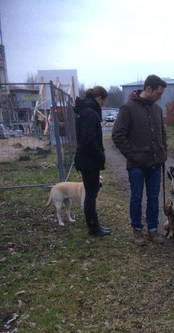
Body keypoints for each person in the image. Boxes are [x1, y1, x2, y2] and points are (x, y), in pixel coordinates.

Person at [112, 75, 168, 245]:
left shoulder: (157, 110)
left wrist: (163, 151)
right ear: (148, 89)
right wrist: (132, 155)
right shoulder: (128, 108)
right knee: (136, 198)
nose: (160, 97)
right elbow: (117, 135)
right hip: (136, 165)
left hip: (155, 164)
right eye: (158, 93)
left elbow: (162, 134)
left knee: (153, 198)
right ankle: (137, 231)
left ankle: (152, 230)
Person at [74, 85, 111, 236]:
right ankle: (93, 228)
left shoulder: (85, 111)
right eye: (104, 101)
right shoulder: (90, 113)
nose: (104, 104)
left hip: (86, 159)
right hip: (89, 160)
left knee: (91, 194)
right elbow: (90, 139)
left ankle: (94, 225)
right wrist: (100, 155)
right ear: (99, 98)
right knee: (91, 195)